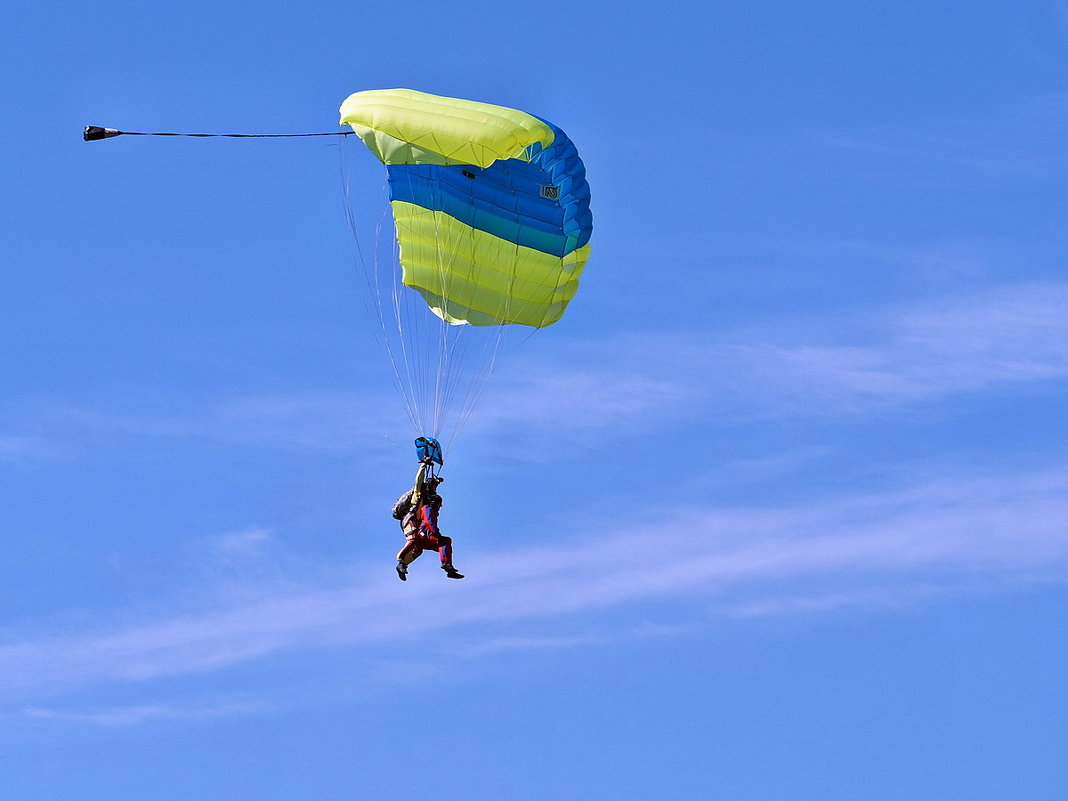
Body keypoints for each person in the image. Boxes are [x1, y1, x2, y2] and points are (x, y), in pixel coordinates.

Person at [391, 461, 464, 581]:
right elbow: (419, 480)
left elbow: (430, 522)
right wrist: (423, 465)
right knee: (414, 539)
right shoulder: (419, 495)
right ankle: (401, 562)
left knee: (423, 547)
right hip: (410, 520)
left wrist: (437, 481)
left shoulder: (429, 502)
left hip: (421, 526)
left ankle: (447, 565)